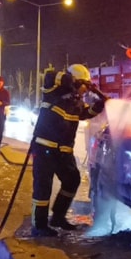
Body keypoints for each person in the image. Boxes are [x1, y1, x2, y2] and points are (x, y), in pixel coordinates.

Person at [30, 64, 107, 237]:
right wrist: (74, 81)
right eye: (83, 85)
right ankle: (39, 226)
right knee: (43, 186)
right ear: (75, 81)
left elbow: (85, 114)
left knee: (72, 180)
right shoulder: (52, 91)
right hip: (45, 147)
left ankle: (58, 217)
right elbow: (50, 75)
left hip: (63, 151)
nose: (84, 90)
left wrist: (100, 104)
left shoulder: (75, 101)